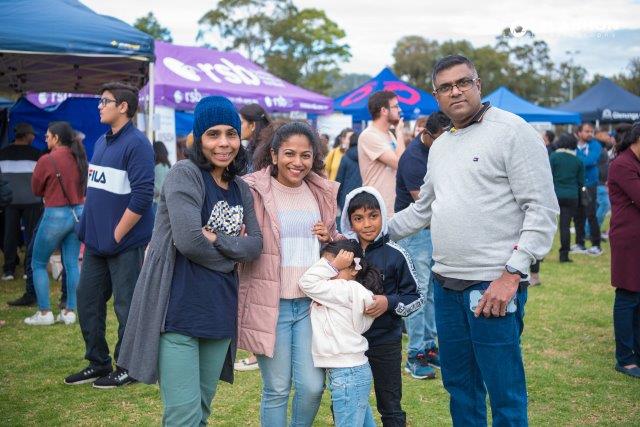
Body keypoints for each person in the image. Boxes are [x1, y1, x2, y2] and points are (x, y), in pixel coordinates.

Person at [388, 55, 559, 426]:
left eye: (463, 82)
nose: (456, 91)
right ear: (437, 96)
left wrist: (512, 275)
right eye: (446, 87)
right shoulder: (441, 146)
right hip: (446, 287)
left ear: (478, 84)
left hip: (493, 287)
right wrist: (373, 232)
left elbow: (542, 209)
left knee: (504, 392)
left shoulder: (513, 131)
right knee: (460, 388)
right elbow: (423, 211)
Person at [118, 96, 263, 423]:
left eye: (231, 133)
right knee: (182, 415)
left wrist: (217, 238)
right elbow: (190, 242)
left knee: (201, 411)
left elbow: (255, 245)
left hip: (219, 313)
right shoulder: (185, 174)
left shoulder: (241, 189)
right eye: (214, 134)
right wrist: (229, 255)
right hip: (177, 313)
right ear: (199, 138)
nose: (224, 143)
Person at [237, 121, 340, 426]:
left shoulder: (321, 192)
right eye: (290, 154)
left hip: (311, 304)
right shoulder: (253, 191)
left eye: (305, 156)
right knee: (277, 389)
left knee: (311, 387)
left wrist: (329, 239)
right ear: (274, 154)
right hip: (273, 304)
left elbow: (334, 246)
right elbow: (243, 239)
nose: (298, 163)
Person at [64, 82, 155, 388]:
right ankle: (98, 362)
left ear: (123, 107)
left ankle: (128, 366)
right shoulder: (102, 141)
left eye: (105, 101)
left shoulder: (138, 144)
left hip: (124, 242)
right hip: (95, 242)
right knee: (86, 300)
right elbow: (96, 188)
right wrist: (87, 230)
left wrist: (117, 234)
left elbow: (143, 197)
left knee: (126, 306)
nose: (100, 106)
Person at [340, 186, 422, 427]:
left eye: (373, 216)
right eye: (358, 218)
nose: (367, 224)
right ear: (349, 221)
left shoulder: (397, 255)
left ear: (383, 216)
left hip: (385, 342)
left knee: (390, 404)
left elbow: (415, 297)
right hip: (349, 342)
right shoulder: (343, 253)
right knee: (347, 402)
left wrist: (389, 302)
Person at [298, 240, 382, 427]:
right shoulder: (353, 291)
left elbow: (306, 282)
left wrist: (334, 264)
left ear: (354, 269)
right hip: (353, 370)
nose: (329, 273)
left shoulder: (344, 288)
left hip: (347, 374)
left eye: (335, 267)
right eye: (327, 266)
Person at [395, 111, 450, 380]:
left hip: (431, 233)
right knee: (417, 292)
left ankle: (429, 347)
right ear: (427, 134)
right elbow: (424, 205)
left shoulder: (438, 151)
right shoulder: (413, 158)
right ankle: (414, 355)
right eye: (440, 138)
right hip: (414, 234)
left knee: (430, 293)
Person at [23, 122, 87, 326]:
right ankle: (69, 312)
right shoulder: (80, 157)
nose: (46, 139)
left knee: (38, 263)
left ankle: (44, 313)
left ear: (57, 138)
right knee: (71, 263)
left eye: (48, 136)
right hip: (78, 212)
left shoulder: (47, 159)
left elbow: (36, 189)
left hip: (55, 214)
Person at [608, 122, 640, 379]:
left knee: (637, 299)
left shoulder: (633, 164)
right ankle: (625, 358)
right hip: (629, 240)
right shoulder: (623, 164)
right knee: (628, 296)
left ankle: (635, 353)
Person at [0, 122, 42, 281]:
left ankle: (9, 270)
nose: (34, 137)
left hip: (9, 200)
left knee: (9, 236)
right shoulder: (36, 154)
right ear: (26, 136)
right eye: (32, 134)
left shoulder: (2, 153)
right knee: (31, 236)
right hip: (32, 200)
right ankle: (27, 269)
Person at [358, 91, 406, 217]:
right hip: (377, 207)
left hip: (393, 206)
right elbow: (400, 163)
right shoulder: (369, 135)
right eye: (395, 106)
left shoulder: (389, 134)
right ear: (384, 111)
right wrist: (400, 131)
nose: (399, 109)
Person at [549, 133, 585, 263]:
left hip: (555, 195)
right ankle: (564, 255)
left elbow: (548, 176)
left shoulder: (553, 157)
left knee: (547, 225)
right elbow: (581, 181)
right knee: (565, 226)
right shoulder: (578, 160)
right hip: (572, 196)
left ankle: (539, 256)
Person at [572, 122, 603, 256]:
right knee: (578, 215)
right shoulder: (574, 145)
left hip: (590, 184)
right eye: (587, 131)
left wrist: (576, 157)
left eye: (592, 131)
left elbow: (590, 161)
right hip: (577, 183)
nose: (590, 134)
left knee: (591, 214)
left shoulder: (596, 145)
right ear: (579, 133)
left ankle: (596, 245)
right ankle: (580, 243)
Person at [335, 132, 362, 216]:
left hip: (346, 196)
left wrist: (336, 199)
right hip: (362, 195)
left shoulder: (345, 157)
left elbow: (339, 179)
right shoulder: (365, 156)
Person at [239, 103, 271, 173]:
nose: (238, 126)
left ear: (253, 125)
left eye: (241, 123)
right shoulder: (260, 145)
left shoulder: (261, 151)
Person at [152, 141, 171, 217]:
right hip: (166, 203)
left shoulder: (158, 168)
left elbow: (158, 189)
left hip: (158, 204)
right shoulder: (167, 166)